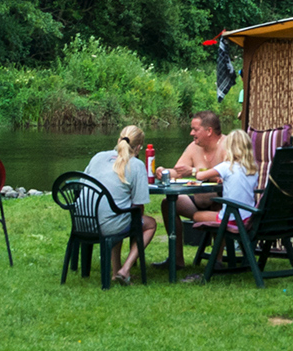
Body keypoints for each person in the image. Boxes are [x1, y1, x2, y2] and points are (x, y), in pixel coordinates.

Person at [83, 124, 156, 285]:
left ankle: (116, 272)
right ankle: (125, 269)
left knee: (119, 214)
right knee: (149, 224)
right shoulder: (136, 165)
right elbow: (138, 207)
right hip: (107, 225)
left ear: (118, 140)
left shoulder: (98, 157)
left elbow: (84, 183)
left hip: (83, 223)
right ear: (138, 148)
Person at [171, 109, 231, 258]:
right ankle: (176, 259)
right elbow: (178, 171)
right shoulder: (194, 147)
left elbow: (227, 175)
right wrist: (163, 172)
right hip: (199, 201)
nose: (191, 133)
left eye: (195, 129)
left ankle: (216, 261)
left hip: (223, 203)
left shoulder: (227, 145)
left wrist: (193, 171)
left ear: (209, 131)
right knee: (169, 204)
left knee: (218, 204)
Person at [188, 129, 261, 237]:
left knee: (196, 215)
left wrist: (195, 170)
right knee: (217, 209)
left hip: (232, 219)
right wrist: (223, 180)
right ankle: (220, 249)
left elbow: (200, 176)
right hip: (248, 218)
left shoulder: (226, 166)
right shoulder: (253, 169)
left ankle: (216, 250)